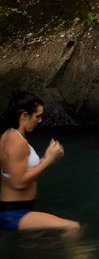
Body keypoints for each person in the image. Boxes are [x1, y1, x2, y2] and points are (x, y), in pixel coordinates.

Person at [0, 90, 79, 232]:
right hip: (14, 213)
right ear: (24, 115)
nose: (40, 120)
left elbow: (19, 170)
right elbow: (18, 183)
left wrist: (46, 158)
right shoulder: (17, 142)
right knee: (72, 227)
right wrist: (49, 161)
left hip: (17, 208)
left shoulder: (8, 135)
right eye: (37, 116)